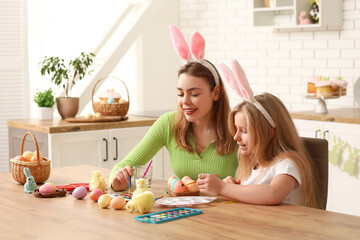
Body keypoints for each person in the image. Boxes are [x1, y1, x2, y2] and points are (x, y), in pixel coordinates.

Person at [109, 25, 238, 191]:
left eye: (194, 94)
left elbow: (256, 178)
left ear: (215, 92)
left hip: (227, 213)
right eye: (180, 93)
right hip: (182, 212)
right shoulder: (168, 123)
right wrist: (117, 180)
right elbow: (123, 165)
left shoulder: (236, 126)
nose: (185, 102)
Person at [197, 60, 320, 208]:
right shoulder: (253, 166)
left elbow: (272, 194)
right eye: (236, 130)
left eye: (244, 131)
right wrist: (236, 187)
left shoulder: (286, 164)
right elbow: (254, 197)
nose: (236, 137)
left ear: (269, 133)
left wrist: (224, 188)